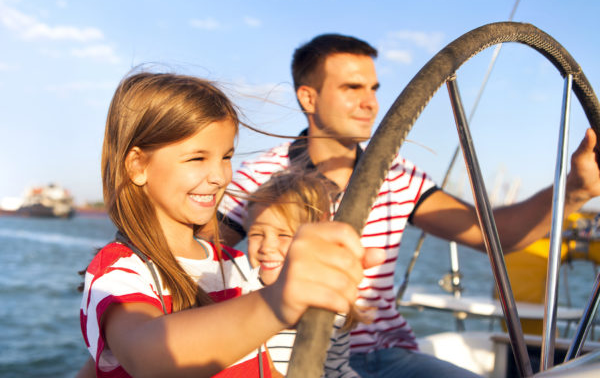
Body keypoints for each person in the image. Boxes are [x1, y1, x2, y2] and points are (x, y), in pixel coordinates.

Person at [217, 33, 600, 377]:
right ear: (308, 97)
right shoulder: (258, 176)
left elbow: (495, 236)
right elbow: (199, 257)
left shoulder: (397, 173)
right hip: (296, 355)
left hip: (388, 355)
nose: (370, 102)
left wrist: (575, 189)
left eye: (373, 88)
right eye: (353, 88)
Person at [79, 71, 384, 378]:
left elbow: (258, 365)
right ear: (137, 166)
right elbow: (146, 355)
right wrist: (276, 301)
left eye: (226, 157)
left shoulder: (236, 266)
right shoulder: (119, 271)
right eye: (197, 158)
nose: (220, 176)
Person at [244, 170, 370, 377]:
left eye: (284, 234)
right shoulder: (240, 297)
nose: (267, 246)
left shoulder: (335, 306)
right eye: (256, 234)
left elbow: (335, 369)